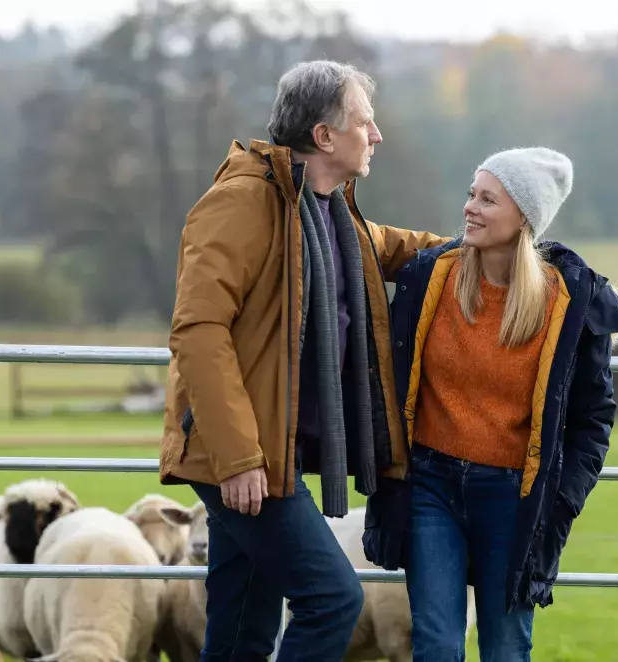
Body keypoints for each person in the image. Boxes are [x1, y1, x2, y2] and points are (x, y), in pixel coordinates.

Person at [157, 60, 446, 661]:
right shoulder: (241, 204)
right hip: (241, 454)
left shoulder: (329, 212)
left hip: (271, 453)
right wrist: (239, 457)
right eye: (365, 122)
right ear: (324, 136)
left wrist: (493, 244)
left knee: (242, 631)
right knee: (333, 598)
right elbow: (199, 330)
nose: (377, 135)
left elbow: (400, 247)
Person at [386, 147, 618, 661]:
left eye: (488, 199)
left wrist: (562, 500)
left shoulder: (566, 303)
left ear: (523, 218)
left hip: (513, 498)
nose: (470, 207)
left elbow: (593, 418)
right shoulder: (431, 277)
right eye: (471, 194)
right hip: (431, 485)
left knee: (505, 648)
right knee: (435, 644)